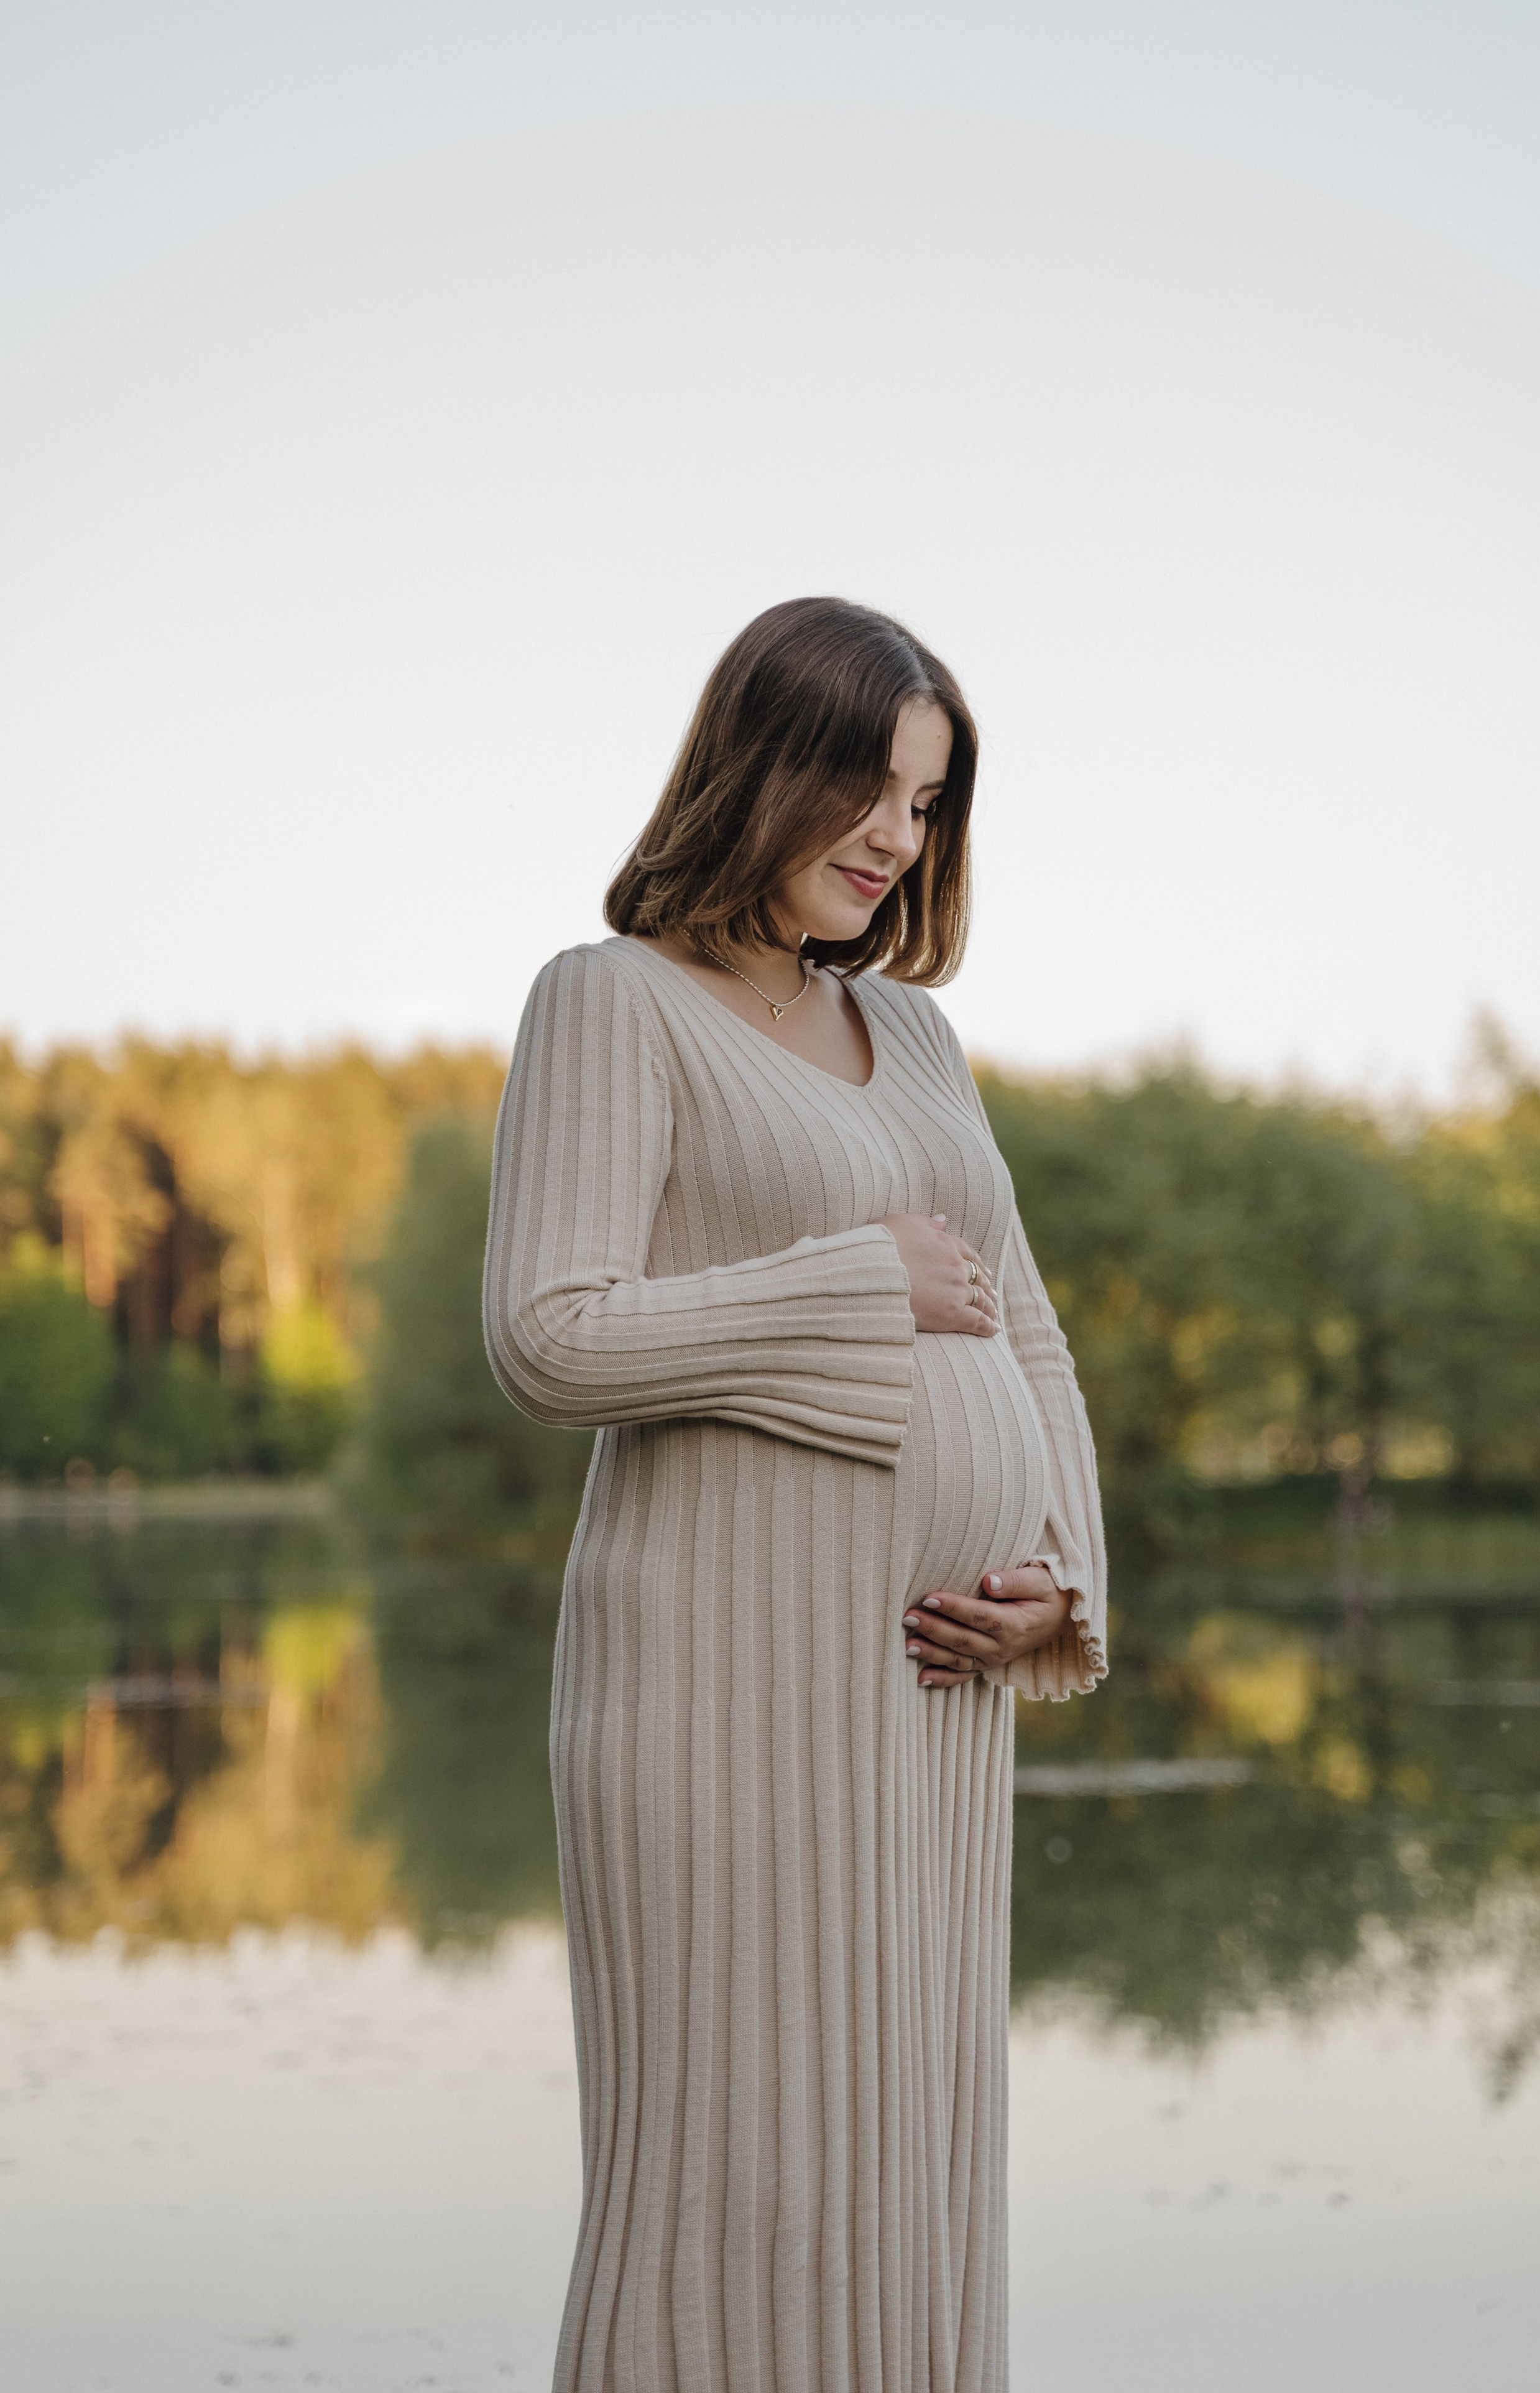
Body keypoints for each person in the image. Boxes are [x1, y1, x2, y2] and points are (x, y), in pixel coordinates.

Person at [484, 596, 1107, 2393]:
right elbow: (550, 1336)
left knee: (916, 2171)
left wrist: (1063, 1579)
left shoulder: (917, 1038)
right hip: (718, 1698)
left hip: (932, 1701)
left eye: (926, 801)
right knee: (728, 2189)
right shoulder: (611, 1001)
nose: (895, 836)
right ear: (761, 765)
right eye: (867, 785)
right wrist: (852, 1283)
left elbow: (1026, 1331)